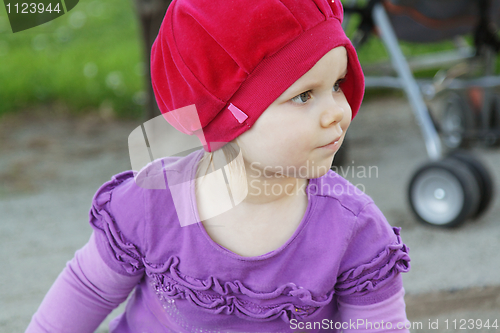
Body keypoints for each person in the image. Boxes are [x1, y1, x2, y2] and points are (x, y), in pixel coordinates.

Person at [26, 0, 411, 332]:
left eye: (338, 85)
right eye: (304, 95)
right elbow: (86, 290)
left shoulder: (354, 230)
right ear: (229, 117)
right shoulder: (152, 204)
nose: (336, 113)